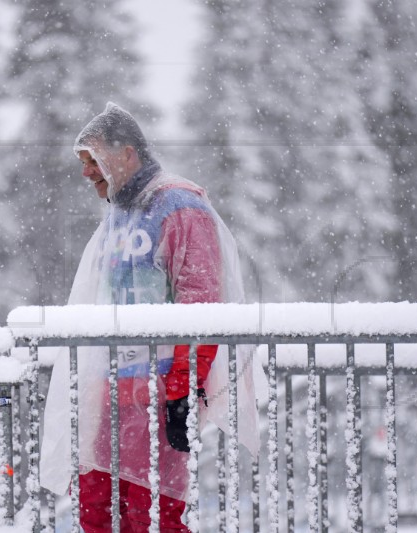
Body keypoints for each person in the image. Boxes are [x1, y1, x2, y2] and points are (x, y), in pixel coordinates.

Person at [39, 103, 260, 532]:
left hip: (158, 395)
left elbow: (201, 304)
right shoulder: (118, 212)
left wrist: (182, 390)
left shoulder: (178, 205)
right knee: (95, 513)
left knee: (153, 519)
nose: (86, 172)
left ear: (126, 154)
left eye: (93, 159)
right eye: (83, 162)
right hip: (108, 394)